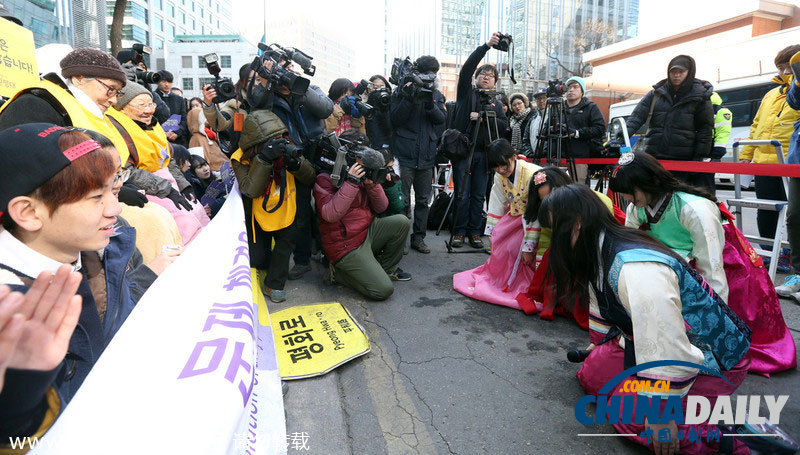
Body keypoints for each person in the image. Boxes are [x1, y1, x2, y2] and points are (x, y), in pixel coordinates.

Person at [540, 184, 752, 455]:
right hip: (643, 343)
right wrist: (599, 343)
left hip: (708, 355)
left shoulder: (636, 269)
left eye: (554, 231)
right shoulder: (600, 244)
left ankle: (729, 440)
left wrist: (660, 412)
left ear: (577, 223)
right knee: (593, 375)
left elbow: (667, 343)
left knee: (637, 421)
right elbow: (602, 301)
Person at [0, 125, 149, 440]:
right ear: (27, 212)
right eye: (96, 197)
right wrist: (20, 397)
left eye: (114, 189)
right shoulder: (9, 308)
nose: (115, 210)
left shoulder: (103, 248)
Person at [610, 150, 796, 375]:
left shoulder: (695, 209)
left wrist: (715, 329)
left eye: (630, 192)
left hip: (725, 266)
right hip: (677, 265)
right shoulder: (637, 207)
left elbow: (713, 270)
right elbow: (632, 248)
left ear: (651, 182)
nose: (628, 198)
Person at [107, 83, 210, 245]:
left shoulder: (152, 127)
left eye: (150, 104)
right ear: (122, 108)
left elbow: (168, 159)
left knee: (197, 210)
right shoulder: (116, 130)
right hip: (145, 188)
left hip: (167, 184)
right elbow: (126, 171)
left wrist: (184, 185)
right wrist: (166, 189)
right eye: (141, 105)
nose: (148, 110)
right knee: (182, 220)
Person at [231, 110, 316, 303]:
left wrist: (295, 163)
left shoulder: (289, 149)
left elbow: (311, 177)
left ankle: (274, 284)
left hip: (287, 208)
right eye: (273, 140)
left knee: (284, 247)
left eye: (281, 138)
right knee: (257, 258)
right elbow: (250, 190)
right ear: (257, 144)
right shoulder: (241, 158)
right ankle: (268, 262)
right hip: (257, 213)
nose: (280, 143)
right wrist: (264, 160)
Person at [516, 166, 615, 329]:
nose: (550, 202)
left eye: (553, 195)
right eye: (544, 200)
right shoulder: (548, 213)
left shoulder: (599, 201)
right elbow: (546, 243)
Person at [263, 56, 333, 282]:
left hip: (320, 152)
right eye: (282, 69)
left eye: (289, 66)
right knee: (301, 211)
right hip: (296, 157)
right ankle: (302, 259)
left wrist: (300, 88)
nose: (287, 72)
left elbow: (326, 109)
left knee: (328, 205)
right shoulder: (269, 97)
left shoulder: (309, 88)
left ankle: (328, 253)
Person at [0, 48, 132, 163]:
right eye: (110, 89)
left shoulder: (89, 112)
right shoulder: (35, 105)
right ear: (79, 79)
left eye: (118, 93)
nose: (114, 100)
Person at [314, 145, 411, 300]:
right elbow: (330, 215)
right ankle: (338, 274)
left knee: (401, 222)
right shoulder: (325, 178)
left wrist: (372, 184)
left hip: (365, 231)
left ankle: (383, 270)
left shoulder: (366, 175)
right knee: (383, 290)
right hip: (345, 244)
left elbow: (381, 207)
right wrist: (351, 182)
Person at [453, 139, 541, 309]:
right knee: (500, 244)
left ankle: (520, 282)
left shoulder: (532, 175)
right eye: (496, 167)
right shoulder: (500, 176)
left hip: (535, 218)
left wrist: (528, 247)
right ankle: (502, 280)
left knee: (516, 250)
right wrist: (492, 234)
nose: (501, 170)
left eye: (504, 165)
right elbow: (497, 202)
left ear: (514, 156)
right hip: (517, 215)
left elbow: (535, 212)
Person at [739, 45, 800, 269]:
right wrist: (746, 155)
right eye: (780, 68)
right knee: (766, 211)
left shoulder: (797, 93)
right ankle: (768, 252)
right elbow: (756, 125)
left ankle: (790, 254)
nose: (784, 72)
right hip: (763, 163)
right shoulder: (770, 94)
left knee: (793, 215)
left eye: (788, 67)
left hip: (790, 162)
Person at [451, 32, 509, 249]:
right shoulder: (466, 93)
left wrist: (485, 117)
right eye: (482, 74)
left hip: (485, 155)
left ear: (494, 81)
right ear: (476, 78)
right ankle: (458, 232)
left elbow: (504, 127)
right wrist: (485, 47)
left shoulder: (496, 102)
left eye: (490, 75)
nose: (486, 77)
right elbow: (466, 68)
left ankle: (475, 232)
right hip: (464, 153)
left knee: (477, 196)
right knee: (461, 195)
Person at [624, 55, 714, 185]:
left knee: (677, 197)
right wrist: (621, 138)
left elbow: (705, 129)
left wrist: (699, 156)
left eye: (681, 72)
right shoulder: (655, 94)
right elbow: (636, 118)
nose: (676, 75)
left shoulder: (701, 96)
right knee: (654, 196)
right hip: (654, 157)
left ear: (689, 73)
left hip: (683, 160)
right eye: (673, 72)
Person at [390, 55, 446, 254]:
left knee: (423, 200)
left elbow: (441, 120)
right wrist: (410, 98)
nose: (430, 79)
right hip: (405, 155)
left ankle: (419, 238)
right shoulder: (403, 90)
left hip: (427, 157)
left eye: (434, 75)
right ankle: (400, 239)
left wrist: (430, 103)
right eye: (427, 74)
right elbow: (395, 119)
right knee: (402, 200)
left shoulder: (437, 94)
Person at [777, 49, 800, 300]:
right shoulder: (793, 81)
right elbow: (795, 102)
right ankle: (798, 274)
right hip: (798, 159)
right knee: (795, 216)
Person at [562, 76, 606, 185]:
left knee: (579, 189)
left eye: (575, 87)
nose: (571, 90)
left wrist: (578, 133)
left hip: (580, 157)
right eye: (568, 87)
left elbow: (600, 129)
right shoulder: (558, 108)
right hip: (560, 157)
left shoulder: (591, 107)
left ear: (582, 91)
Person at [187, 102, 227, 171]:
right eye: (203, 117)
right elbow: (198, 163)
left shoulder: (208, 135)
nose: (207, 120)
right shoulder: (196, 139)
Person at [155, 70, 189, 147]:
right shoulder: (152, 97)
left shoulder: (179, 99)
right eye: (163, 81)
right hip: (158, 139)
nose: (167, 84)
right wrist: (163, 133)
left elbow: (184, 119)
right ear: (157, 82)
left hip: (178, 139)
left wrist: (177, 133)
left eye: (169, 82)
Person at [364, 75, 393, 149]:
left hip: (387, 145)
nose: (379, 90)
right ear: (368, 89)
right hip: (369, 145)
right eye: (375, 88)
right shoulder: (364, 105)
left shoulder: (391, 104)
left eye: (382, 87)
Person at [522, 88, 548, 158]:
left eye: (544, 98)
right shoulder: (532, 119)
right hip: (534, 160)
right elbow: (526, 140)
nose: (541, 101)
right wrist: (530, 154)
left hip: (550, 160)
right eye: (538, 98)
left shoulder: (555, 117)